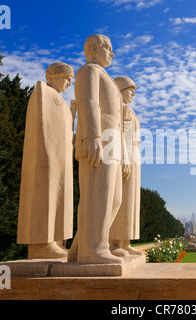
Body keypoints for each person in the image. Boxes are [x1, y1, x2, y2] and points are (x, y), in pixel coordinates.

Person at [68, 34, 129, 264]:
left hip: (111, 140)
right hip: (98, 140)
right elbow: (88, 102)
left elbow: (117, 120)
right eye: (108, 48)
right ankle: (93, 249)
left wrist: (121, 150)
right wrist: (92, 135)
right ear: (94, 48)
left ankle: (79, 249)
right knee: (97, 196)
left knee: (112, 199)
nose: (112, 53)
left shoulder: (106, 77)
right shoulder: (88, 71)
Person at [17, 62, 75, 259]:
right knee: (45, 196)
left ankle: (57, 240)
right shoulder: (42, 93)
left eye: (71, 79)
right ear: (53, 76)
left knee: (61, 197)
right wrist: (48, 155)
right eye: (67, 78)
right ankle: (42, 244)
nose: (69, 82)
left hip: (61, 158)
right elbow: (42, 127)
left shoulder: (60, 101)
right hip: (47, 157)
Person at [108, 76, 144, 257]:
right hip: (125, 155)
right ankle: (115, 243)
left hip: (134, 154)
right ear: (120, 90)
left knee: (131, 201)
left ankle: (126, 241)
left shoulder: (129, 110)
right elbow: (120, 135)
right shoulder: (119, 110)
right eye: (130, 89)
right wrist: (124, 157)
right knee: (122, 200)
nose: (133, 94)